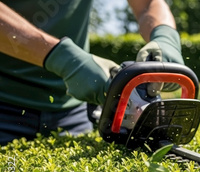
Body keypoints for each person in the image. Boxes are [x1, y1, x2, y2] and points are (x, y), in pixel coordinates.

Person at [0, 0, 184, 145]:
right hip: (6, 101)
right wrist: (64, 59)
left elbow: (147, 3)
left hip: (73, 111)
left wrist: (165, 37)